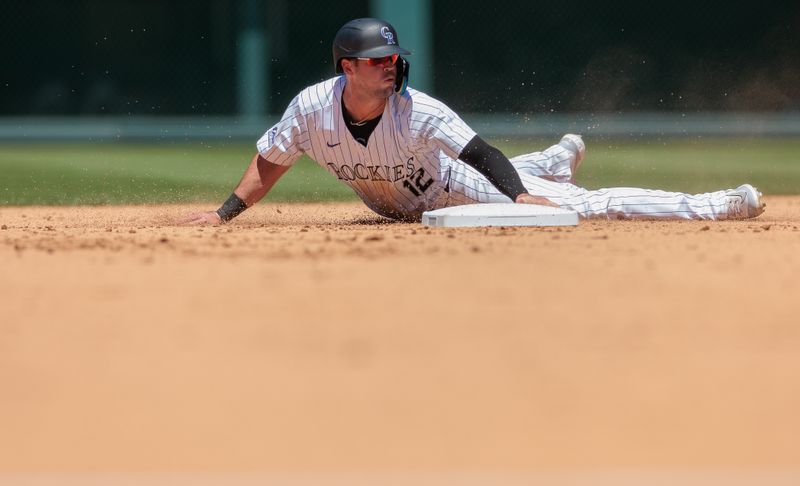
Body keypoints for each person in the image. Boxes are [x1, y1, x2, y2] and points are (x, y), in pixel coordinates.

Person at [184, 17, 765, 225]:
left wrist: (518, 197)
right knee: (537, 178)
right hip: (396, 205)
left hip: (459, 187)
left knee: (581, 205)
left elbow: (482, 155)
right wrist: (222, 215)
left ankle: (713, 205)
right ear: (347, 67)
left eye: (395, 58)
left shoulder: (420, 111)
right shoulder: (311, 109)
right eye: (379, 61)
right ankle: (552, 162)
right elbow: (271, 159)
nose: (392, 67)